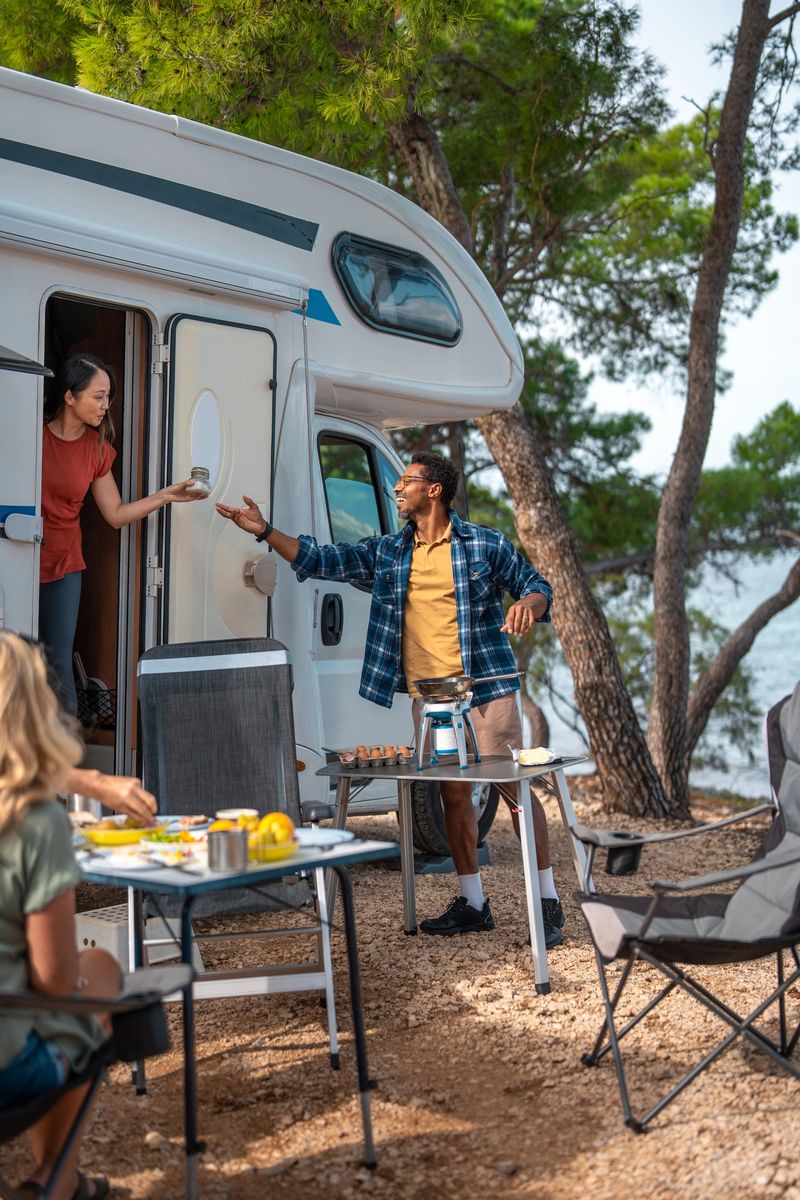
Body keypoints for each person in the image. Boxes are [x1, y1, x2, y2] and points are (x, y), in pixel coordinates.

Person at [216, 451, 566, 945]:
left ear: (434, 490)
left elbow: (535, 585)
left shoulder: (484, 544)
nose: (397, 490)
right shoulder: (390, 552)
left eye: (407, 482)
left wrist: (529, 604)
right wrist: (265, 531)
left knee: (512, 790)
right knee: (452, 797)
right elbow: (323, 559)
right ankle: (473, 902)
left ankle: (547, 902)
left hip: (487, 687)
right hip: (434, 702)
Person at [0, 632, 121, 1200]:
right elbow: (53, 979)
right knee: (99, 972)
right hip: (7, 1069)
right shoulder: (34, 821)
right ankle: (57, 1180)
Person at [40, 353, 207, 714]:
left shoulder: (97, 449)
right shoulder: (32, 435)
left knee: (57, 659)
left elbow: (115, 515)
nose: (106, 406)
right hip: (19, 555)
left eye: (108, 397)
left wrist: (165, 496)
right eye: (98, 397)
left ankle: (64, 746)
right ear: (70, 396)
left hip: (63, 564)